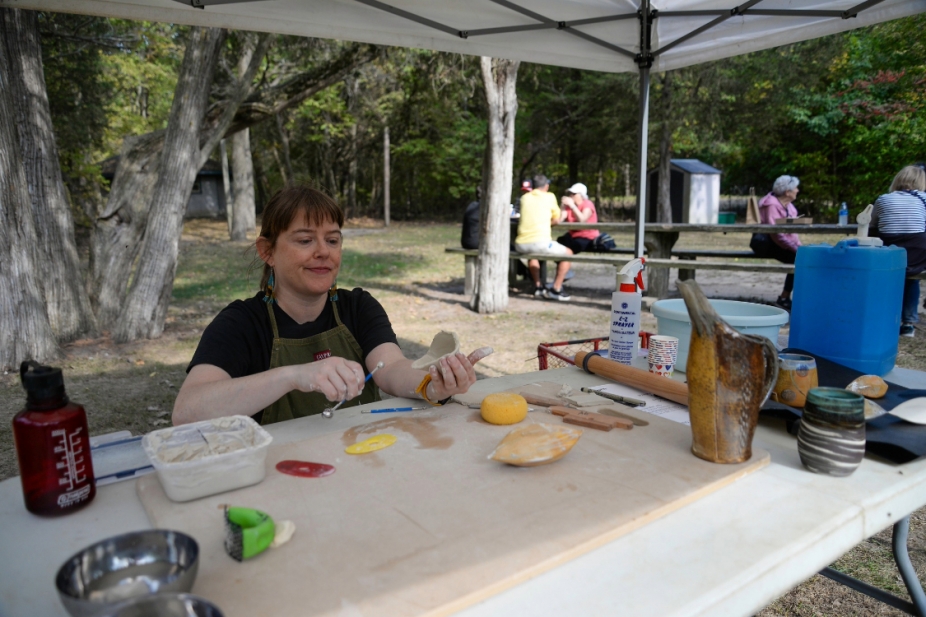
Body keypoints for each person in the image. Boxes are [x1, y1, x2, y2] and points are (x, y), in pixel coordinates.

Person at [174, 186, 484, 425]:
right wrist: (293, 376)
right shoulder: (241, 323)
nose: (323, 252)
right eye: (305, 241)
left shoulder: (358, 307)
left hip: (358, 457)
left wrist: (433, 384)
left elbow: (391, 369)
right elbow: (187, 412)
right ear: (267, 251)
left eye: (333, 240)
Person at [871, 165, 926, 338]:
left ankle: (885, 319)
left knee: (892, 277)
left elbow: (872, 226)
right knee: (911, 278)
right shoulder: (924, 198)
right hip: (917, 254)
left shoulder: (883, 199)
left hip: (890, 253)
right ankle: (908, 322)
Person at [515, 174, 573, 301]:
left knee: (533, 254)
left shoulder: (524, 198)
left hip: (521, 244)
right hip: (540, 242)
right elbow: (556, 219)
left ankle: (538, 287)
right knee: (568, 253)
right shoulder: (550, 196)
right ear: (546, 186)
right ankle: (556, 289)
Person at [756, 175, 802, 310]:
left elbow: (792, 233)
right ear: (787, 192)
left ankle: (787, 297)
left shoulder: (790, 206)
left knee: (801, 257)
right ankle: (784, 297)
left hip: (784, 245)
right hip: (769, 245)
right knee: (798, 260)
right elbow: (776, 234)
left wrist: (799, 246)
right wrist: (796, 249)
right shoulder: (771, 205)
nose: (798, 190)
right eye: (795, 188)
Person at [555, 183, 600, 255]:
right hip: (572, 236)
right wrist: (563, 207)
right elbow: (561, 219)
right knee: (557, 244)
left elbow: (582, 220)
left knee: (569, 248)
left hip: (587, 237)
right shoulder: (569, 206)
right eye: (570, 193)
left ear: (582, 195)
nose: (571, 195)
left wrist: (572, 205)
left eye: (574, 193)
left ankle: (564, 263)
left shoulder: (587, 204)